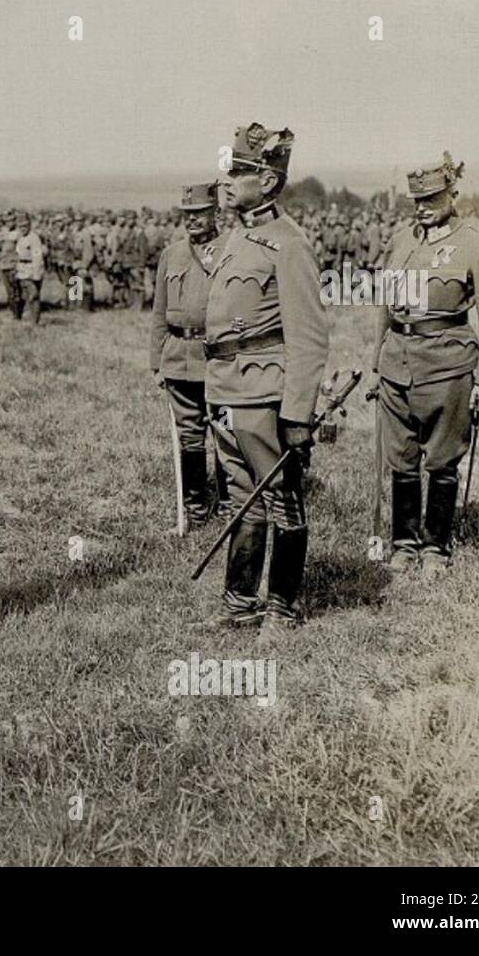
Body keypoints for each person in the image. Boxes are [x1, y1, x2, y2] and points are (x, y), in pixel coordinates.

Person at [199, 122, 329, 635]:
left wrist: (297, 415)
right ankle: (239, 605)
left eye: (240, 171)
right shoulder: (237, 236)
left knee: (280, 498)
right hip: (226, 388)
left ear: (269, 182)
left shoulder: (288, 245)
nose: (226, 179)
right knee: (239, 496)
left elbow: (309, 336)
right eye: (227, 168)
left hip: (264, 395)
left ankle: (281, 606)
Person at [371, 152, 479, 572]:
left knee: (442, 458)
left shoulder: (476, 245)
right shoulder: (401, 241)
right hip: (397, 363)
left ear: (453, 194)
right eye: (418, 200)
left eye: (432, 197)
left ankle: (435, 548)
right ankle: (404, 545)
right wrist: (376, 364)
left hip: (447, 365)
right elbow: (385, 309)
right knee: (401, 457)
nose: (424, 207)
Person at [150, 182, 232, 527]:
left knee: (227, 432)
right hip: (178, 358)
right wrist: (156, 361)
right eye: (188, 214)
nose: (193, 220)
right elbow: (159, 311)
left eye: (200, 213)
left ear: (215, 212)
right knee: (189, 436)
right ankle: (195, 509)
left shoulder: (231, 248)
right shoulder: (172, 254)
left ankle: (231, 507)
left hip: (217, 358)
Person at [13, 212, 46, 323]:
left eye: (25, 226)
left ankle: (34, 321)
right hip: (22, 270)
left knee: (33, 296)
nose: (23, 228)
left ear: (29, 226)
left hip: (31, 269)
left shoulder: (34, 238)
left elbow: (37, 257)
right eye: (20, 226)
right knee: (24, 296)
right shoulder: (21, 238)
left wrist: (36, 274)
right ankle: (27, 317)